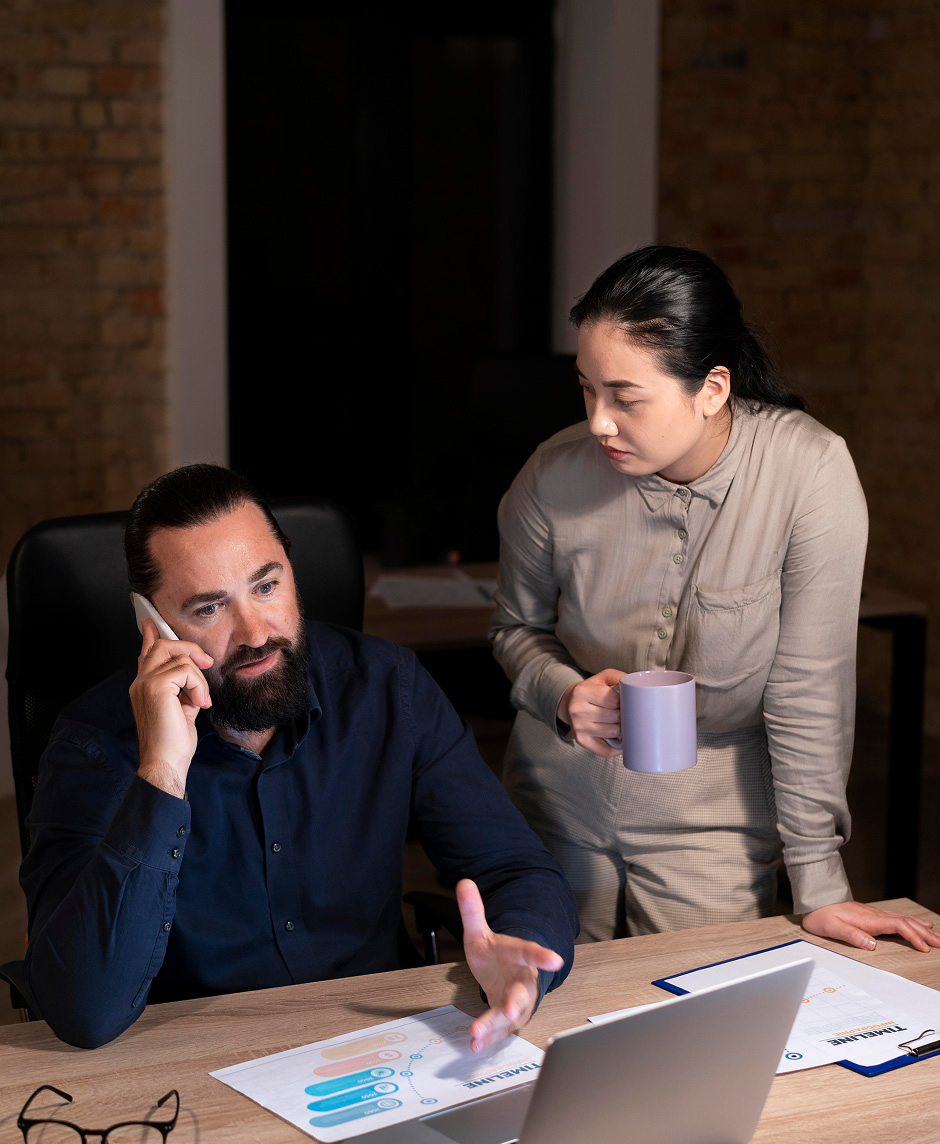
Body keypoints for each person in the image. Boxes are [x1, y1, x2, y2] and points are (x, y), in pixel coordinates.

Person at [20, 465, 578, 1049]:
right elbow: (83, 1012)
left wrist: (525, 959)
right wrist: (160, 773)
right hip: (194, 1060)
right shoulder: (92, 745)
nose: (256, 633)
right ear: (151, 624)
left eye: (266, 587)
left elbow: (516, 870)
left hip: (382, 1044)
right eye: (209, 609)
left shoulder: (388, 687)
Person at [491, 245, 938, 955]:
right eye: (587, 390)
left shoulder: (808, 472)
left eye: (625, 398)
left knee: (704, 1005)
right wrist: (562, 694)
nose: (599, 421)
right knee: (542, 1005)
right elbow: (515, 629)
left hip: (714, 816)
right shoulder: (553, 474)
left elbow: (807, 690)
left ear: (712, 388)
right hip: (556, 800)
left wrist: (819, 883)